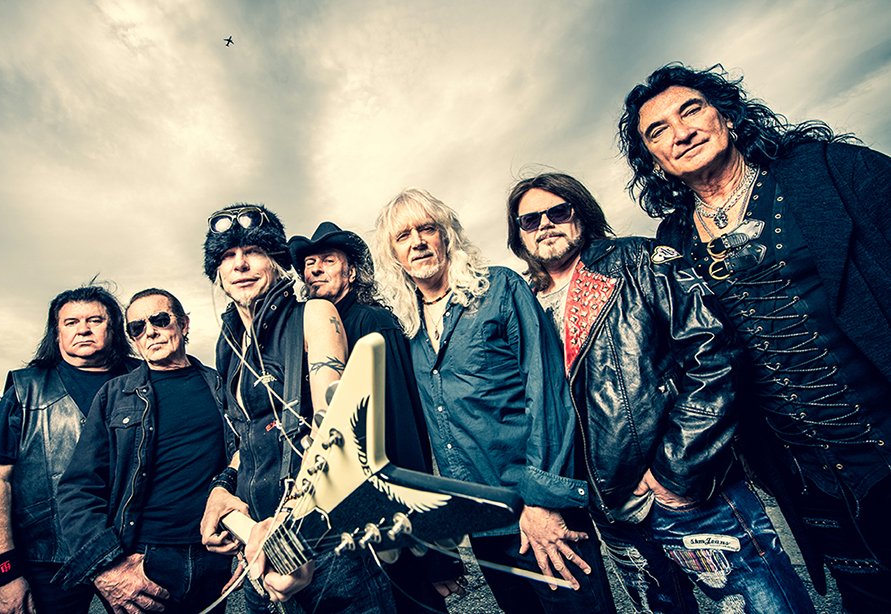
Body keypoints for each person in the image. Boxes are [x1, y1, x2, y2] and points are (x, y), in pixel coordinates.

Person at [619, 62, 891, 612]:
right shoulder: (674, 240)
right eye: (659, 131)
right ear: (654, 159)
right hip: (810, 480)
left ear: (727, 115)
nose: (681, 133)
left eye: (691, 110)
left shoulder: (828, 170)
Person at [506, 172, 814, 612]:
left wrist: (674, 469)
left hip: (687, 494)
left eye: (558, 212)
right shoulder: (523, 302)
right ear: (518, 234)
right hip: (611, 511)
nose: (545, 225)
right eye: (530, 220)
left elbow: (715, 355)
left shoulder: (639, 260)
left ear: (581, 213)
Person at [372, 188, 614, 613]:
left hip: (538, 507)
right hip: (483, 521)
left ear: (447, 235)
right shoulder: (406, 327)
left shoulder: (499, 288)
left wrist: (541, 501)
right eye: (403, 236)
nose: (418, 242)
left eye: (427, 228)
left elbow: (548, 392)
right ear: (393, 254)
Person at [198, 204, 396, 613]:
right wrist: (221, 489)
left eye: (253, 251)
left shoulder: (314, 314)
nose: (240, 265)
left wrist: (291, 522)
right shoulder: (228, 344)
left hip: (324, 541)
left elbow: (334, 428)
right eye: (228, 256)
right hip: (257, 544)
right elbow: (245, 440)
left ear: (275, 261)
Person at [288, 221, 463, 611]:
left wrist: (432, 545)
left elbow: (404, 431)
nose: (315, 269)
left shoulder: (372, 322)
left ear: (351, 272)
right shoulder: (307, 335)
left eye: (328, 260)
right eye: (309, 264)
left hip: (388, 508)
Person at [55, 288, 231, 612]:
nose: (150, 331)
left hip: (214, 555)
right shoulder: (114, 395)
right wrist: (107, 568)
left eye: (160, 320)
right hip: (142, 560)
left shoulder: (223, 387)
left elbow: (249, 462)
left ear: (184, 324)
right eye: (137, 327)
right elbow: (78, 488)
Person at [0, 286, 137, 613]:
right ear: (57, 334)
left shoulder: (145, 380)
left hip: (135, 553)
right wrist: (2, 575)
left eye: (95, 320)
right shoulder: (26, 389)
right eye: (71, 322)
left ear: (114, 328)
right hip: (47, 559)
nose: (83, 329)